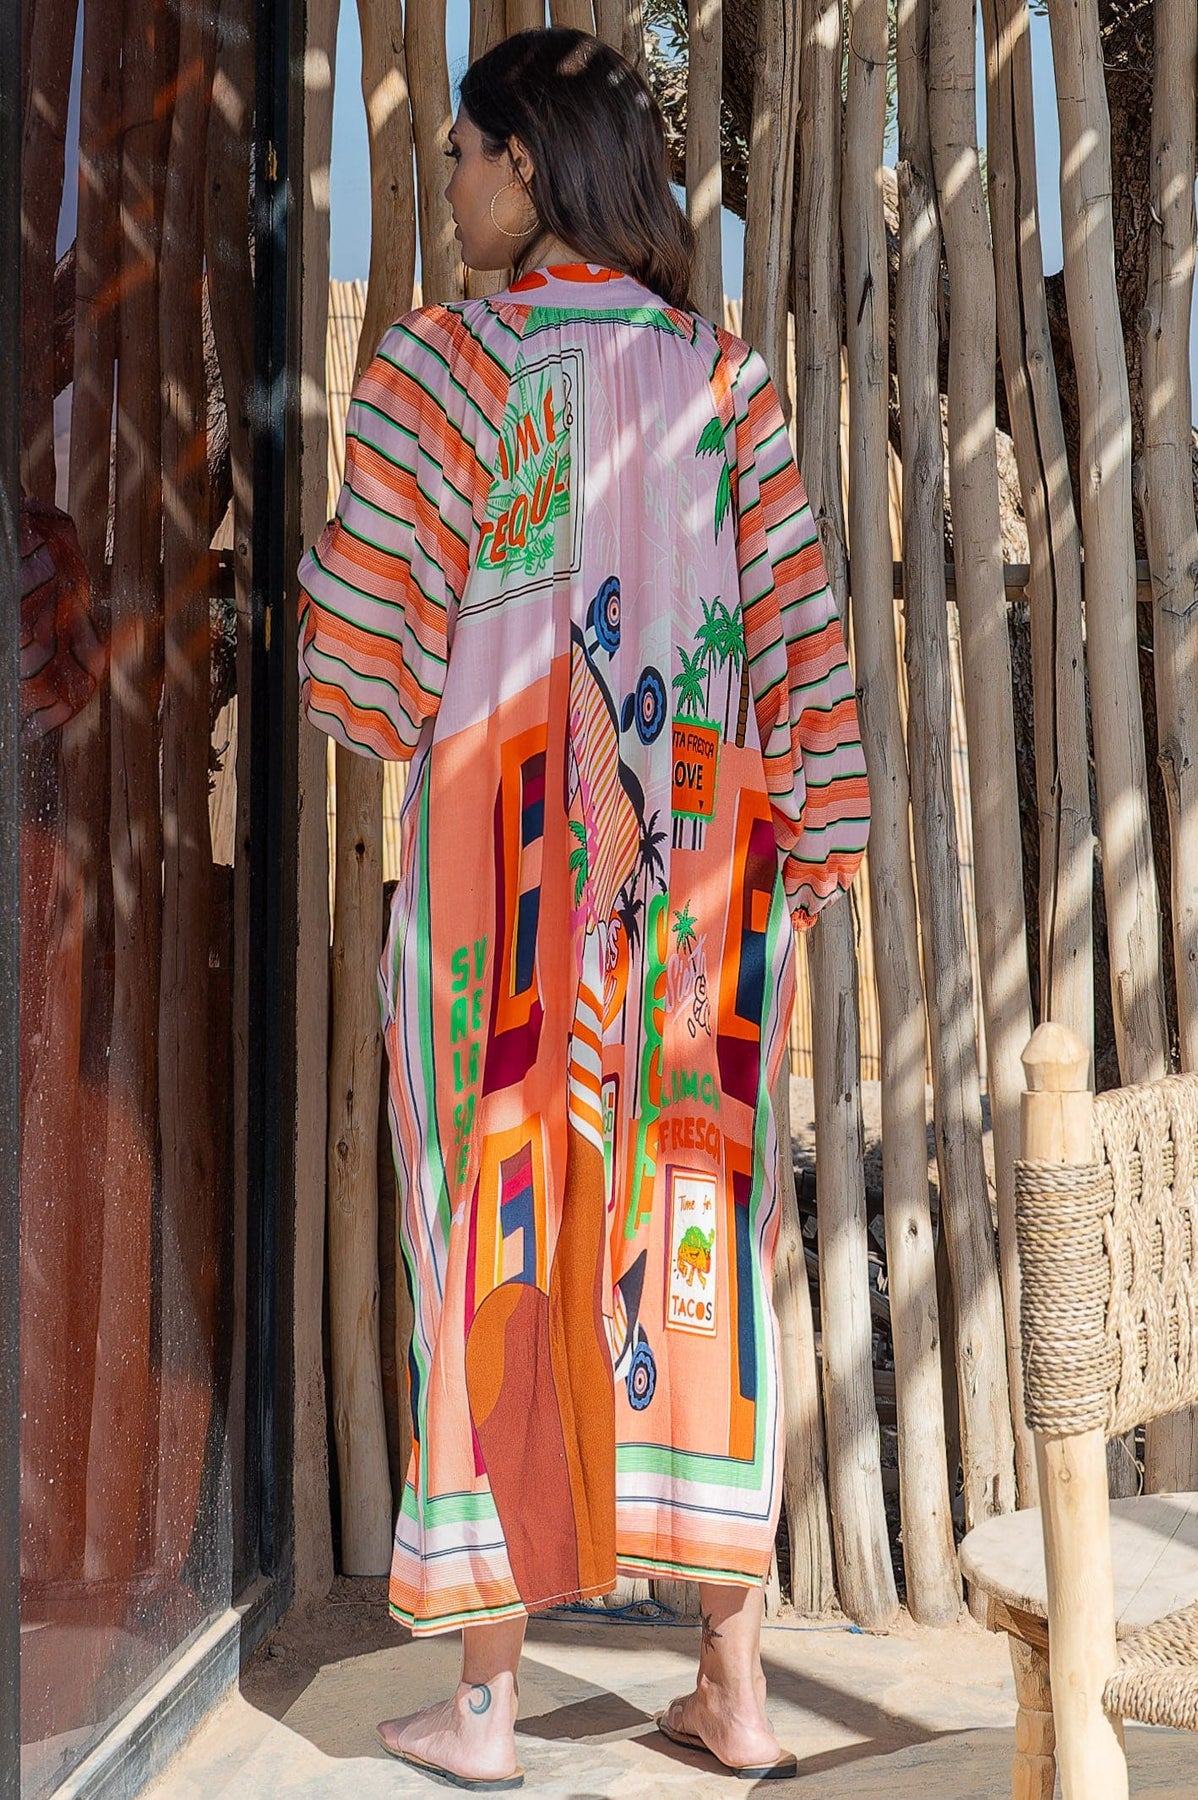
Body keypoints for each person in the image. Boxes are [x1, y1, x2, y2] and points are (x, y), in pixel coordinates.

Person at [298, 26, 868, 1791]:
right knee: (702, 1241)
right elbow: (805, 647)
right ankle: (737, 1692)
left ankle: (485, 1707)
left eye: (461, 159)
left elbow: (360, 670)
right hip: (695, 904)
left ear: (524, 166)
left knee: (490, 1224)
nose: (450, 188)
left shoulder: (444, 370)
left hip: (500, 901)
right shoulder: (728, 386)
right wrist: (814, 844)